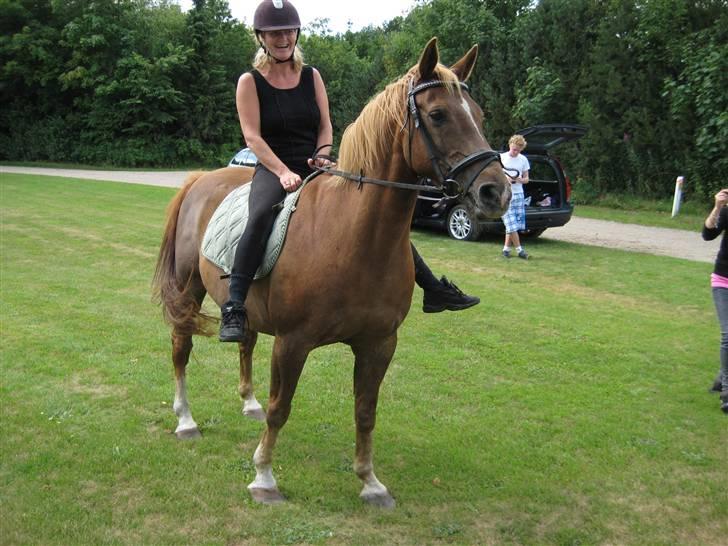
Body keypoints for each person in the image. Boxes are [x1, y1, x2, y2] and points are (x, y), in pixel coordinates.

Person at [220, 0, 479, 342]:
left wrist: (324, 153)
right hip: (273, 167)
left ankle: (434, 288)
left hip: (315, 163)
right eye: (274, 33)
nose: (283, 38)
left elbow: (325, 124)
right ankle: (235, 305)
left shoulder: (311, 76)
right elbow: (252, 136)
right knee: (259, 216)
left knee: (372, 216)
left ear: (296, 33)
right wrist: (281, 172)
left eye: (288, 31)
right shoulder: (250, 82)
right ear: (261, 38)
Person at [702, 188, 728, 413]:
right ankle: (727, 392)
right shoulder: (727, 212)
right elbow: (708, 234)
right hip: (723, 281)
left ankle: (721, 378)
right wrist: (718, 207)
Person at [500, 134, 530, 259]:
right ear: (509, 145)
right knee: (510, 223)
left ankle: (506, 250)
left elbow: (527, 179)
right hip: (504, 195)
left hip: (518, 194)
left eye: (518, 150)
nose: (515, 152)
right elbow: (496, 176)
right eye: (514, 149)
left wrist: (519, 179)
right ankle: (520, 250)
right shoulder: (501, 158)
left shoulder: (523, 160)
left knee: (513, 225)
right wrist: (506, 179)